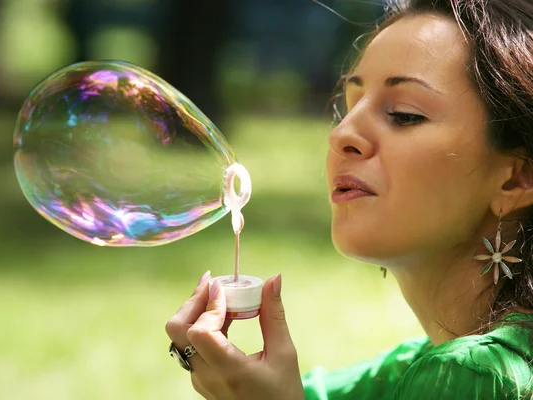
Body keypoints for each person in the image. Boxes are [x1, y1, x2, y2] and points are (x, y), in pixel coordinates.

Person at [165, 0, 533, 398]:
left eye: (404, 114)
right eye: (349, 105)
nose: (341, 133)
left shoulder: (479, 378)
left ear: (517, 178)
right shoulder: (414, 367)